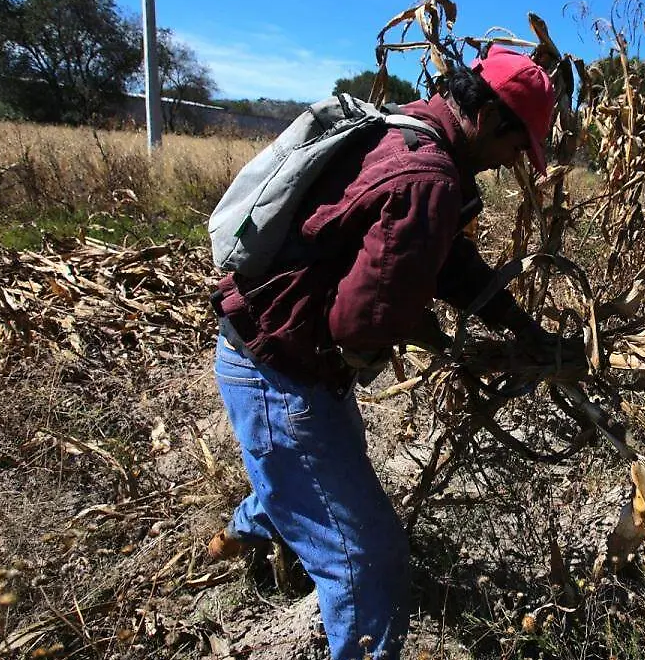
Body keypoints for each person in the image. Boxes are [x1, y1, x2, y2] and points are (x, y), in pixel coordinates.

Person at [205, 47, 556, 660]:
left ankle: (236, 540)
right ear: (492, 120)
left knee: (313, 471)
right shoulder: (432, 180)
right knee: (369, 558)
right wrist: (445, 345)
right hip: (283, 373)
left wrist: (522, 329)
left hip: (271, 350)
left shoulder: (406, 129)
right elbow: (357, 326)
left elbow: (450, 265)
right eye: (516, 148)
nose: (511, 165)